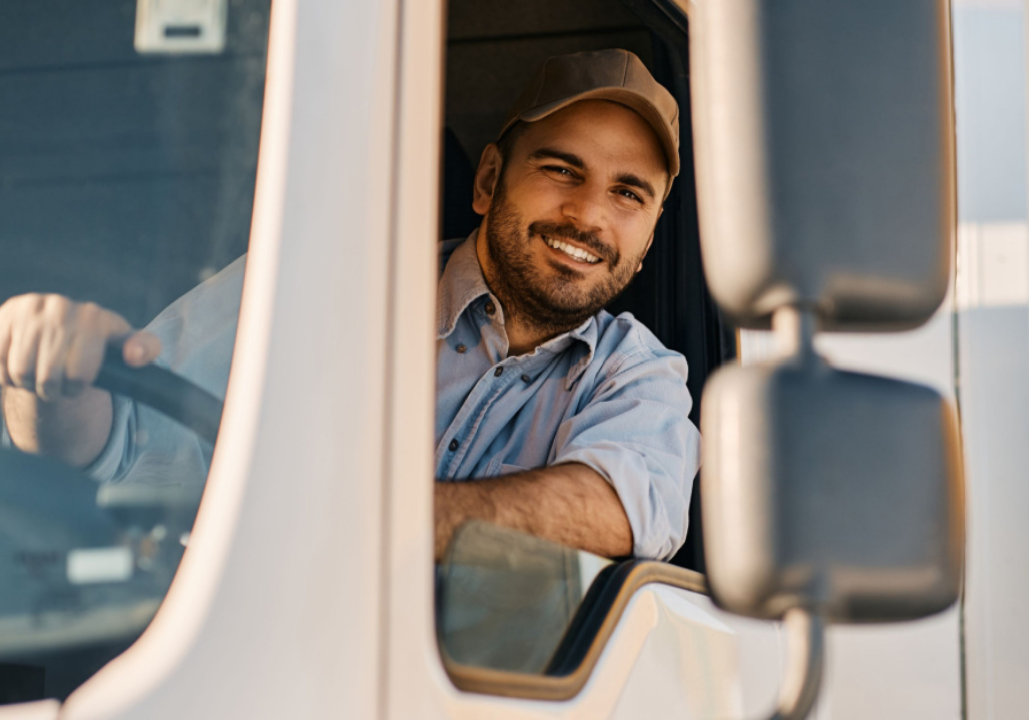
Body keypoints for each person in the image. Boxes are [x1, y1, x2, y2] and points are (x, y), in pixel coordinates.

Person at [0, 49, 698, 562]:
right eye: (560, 170)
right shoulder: (318, 282)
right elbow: (116, 442)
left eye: (628, 193)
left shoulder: (638, 375)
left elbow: (621, 510)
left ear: (647, 240)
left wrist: (346, 524)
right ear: (489, 180)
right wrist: (48, 377)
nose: (587, 216)